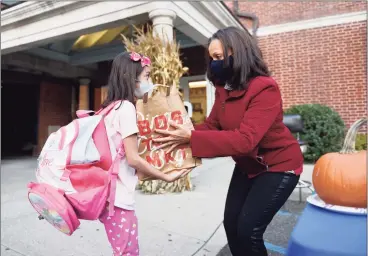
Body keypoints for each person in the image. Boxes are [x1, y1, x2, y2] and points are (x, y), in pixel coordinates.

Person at [154, 27, 304, 256]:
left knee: (248, 231)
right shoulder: (224, 89)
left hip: (278, 166)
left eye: (219, 57)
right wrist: (180, 133)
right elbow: (212, 125)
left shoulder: (265, 87)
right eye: (211, 58)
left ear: (238, 53)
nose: (214, 63)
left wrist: (192, 138)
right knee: (231, 224)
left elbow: (245, 140)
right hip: (247, 166)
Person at [99, 52, 190, 256]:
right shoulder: (126, 109)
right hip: (119, 200)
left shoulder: (111, 108)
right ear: (131, 79)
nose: (150, 82)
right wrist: (165, 176)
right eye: (147, 76)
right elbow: (133, 158)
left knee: (123, 250)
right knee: (127, 252)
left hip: (108, 197)